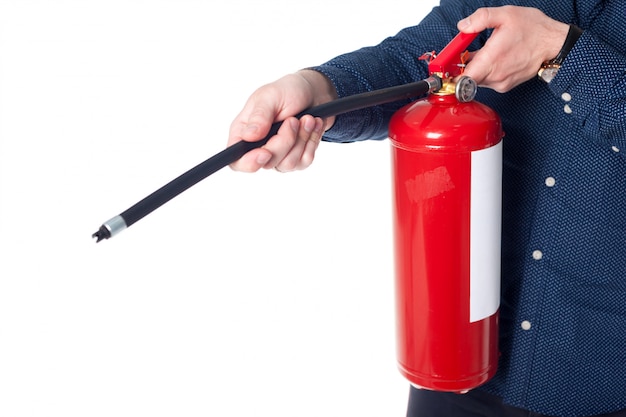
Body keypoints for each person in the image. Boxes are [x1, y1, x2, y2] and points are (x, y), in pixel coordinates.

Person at [227, 2, 626, 416]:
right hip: (451, 361)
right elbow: (420, 58)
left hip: (600, 382)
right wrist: (316, 90)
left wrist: (562, 51)